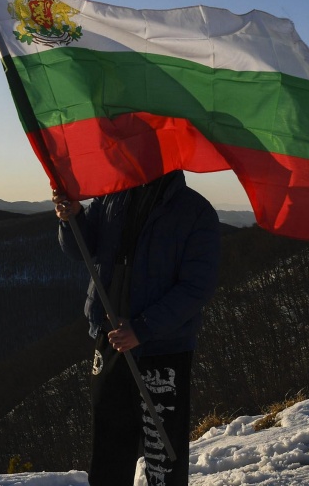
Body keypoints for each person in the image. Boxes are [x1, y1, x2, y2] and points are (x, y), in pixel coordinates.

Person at [53, 170, 220, 486]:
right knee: (108, 443)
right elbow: (83, 250)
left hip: (163, 347)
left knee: (162, 452)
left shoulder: (196, 211)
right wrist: (72, 217)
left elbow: (197, 287)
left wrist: (143, 329)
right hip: (111, 339)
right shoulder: (112, 194)